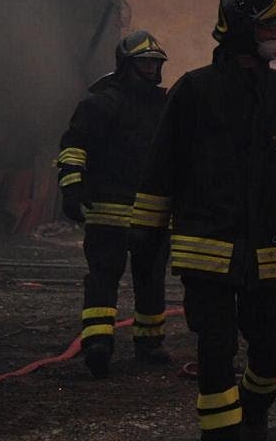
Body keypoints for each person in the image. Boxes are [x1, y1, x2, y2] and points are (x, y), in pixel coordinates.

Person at [135, 0, 276, 440]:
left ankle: (253, 412)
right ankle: (222, 434)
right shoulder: (193, 92)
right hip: (205, 252)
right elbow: (160, 171)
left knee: (272, 353)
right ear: (244, 30)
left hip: (270, 253)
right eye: (270, 25)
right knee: (215, 352)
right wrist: (146, 236)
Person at [57, 30, 171, 378]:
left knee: (150, 279)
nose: (151, 69)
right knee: (104, 277)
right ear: (127, 65)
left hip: (152, 214)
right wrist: (72, 190)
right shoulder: (99, 104)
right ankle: (98, 343)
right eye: (144, 63)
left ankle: (149, 343)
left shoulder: (164, 108)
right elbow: (74, 148)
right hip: (108, 209)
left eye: (155, 63)